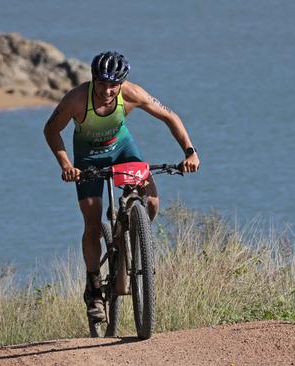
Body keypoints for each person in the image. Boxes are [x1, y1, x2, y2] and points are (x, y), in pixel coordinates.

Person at [43, 51, 200, 321]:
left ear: (121, 83)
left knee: (151, 202)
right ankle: (93, 289)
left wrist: (190, 151)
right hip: (88, 155)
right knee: (92, 220)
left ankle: (130, 235)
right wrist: (66, 165)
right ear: (94, 80)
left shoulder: (132, 93)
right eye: (102, 83)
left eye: (113, 84)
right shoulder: (77, 99)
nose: (107, 90)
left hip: (122, 149)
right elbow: (51, 130)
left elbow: (170, 117)